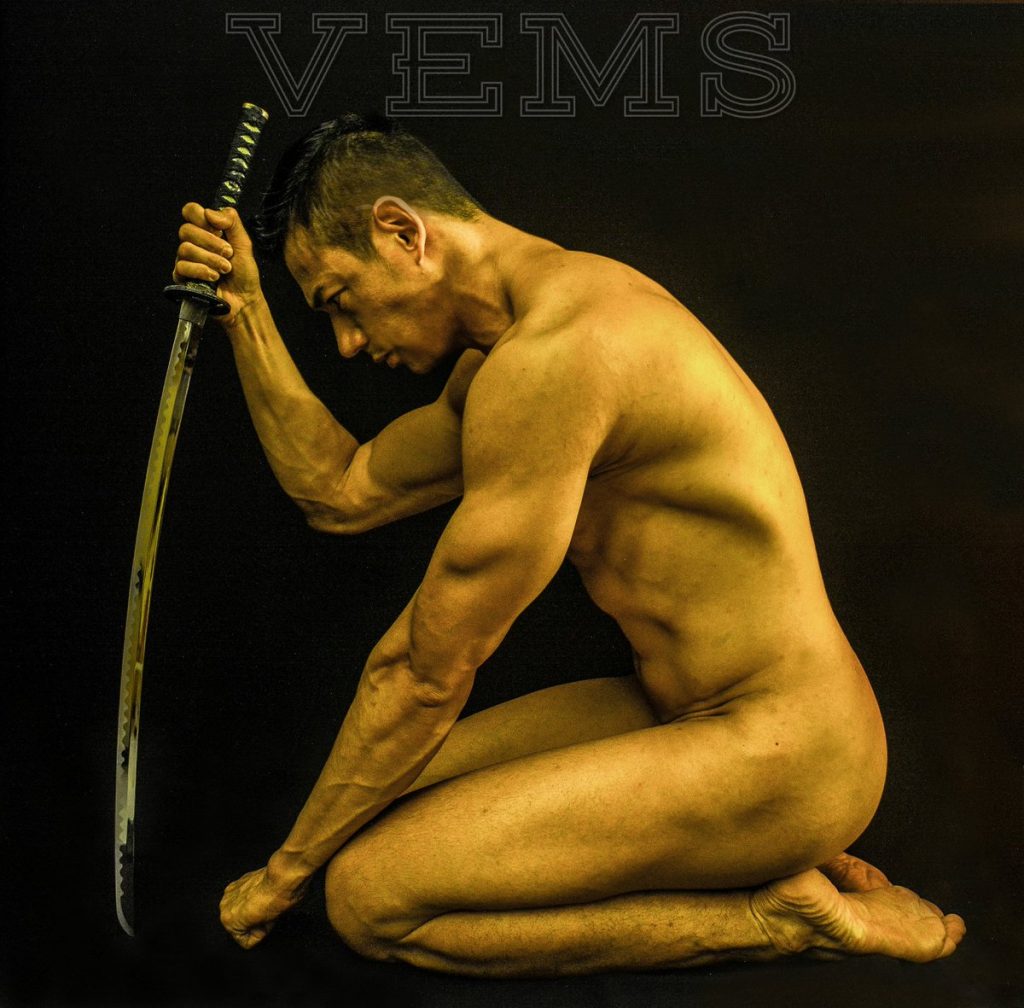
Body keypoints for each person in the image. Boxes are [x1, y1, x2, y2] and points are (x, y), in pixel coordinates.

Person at [172, 113, 964, 977]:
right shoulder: (517, 345)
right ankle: (747, 850)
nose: (349, 342)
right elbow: (340, 490)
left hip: (787, 747)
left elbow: (423, 673)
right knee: (378, 794)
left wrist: (284, 874)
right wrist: (244, 311)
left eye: (341, 300)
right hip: (677, 706)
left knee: (365, 897)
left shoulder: (560, 359)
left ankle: (774, 916)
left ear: (402, 232)